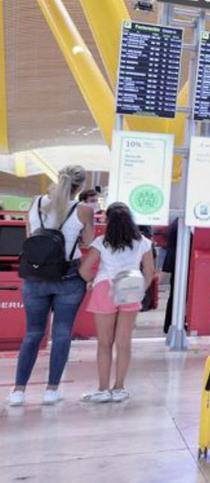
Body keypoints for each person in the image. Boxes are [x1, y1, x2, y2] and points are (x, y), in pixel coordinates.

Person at [8, 165, 93, 407]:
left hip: (35, 278)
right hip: (68, 279)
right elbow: (87, 242)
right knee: (62, 332)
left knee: (33, 333)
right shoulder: (83, 210)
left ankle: (18, 391)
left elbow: (30, 236)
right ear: (81, 187)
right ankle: (51, 390)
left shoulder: (35, 203)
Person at [78, 203, 155, 403]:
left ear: (108, 221)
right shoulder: (143, 242)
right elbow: (149, 271)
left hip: (105, 288)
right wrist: (141, 289)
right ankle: (119, 387)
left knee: (104, 343)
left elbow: (85, 269)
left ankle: (103, 389)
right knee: (123, 343)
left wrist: (92, 281)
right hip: (130, 287)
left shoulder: (101, 242)